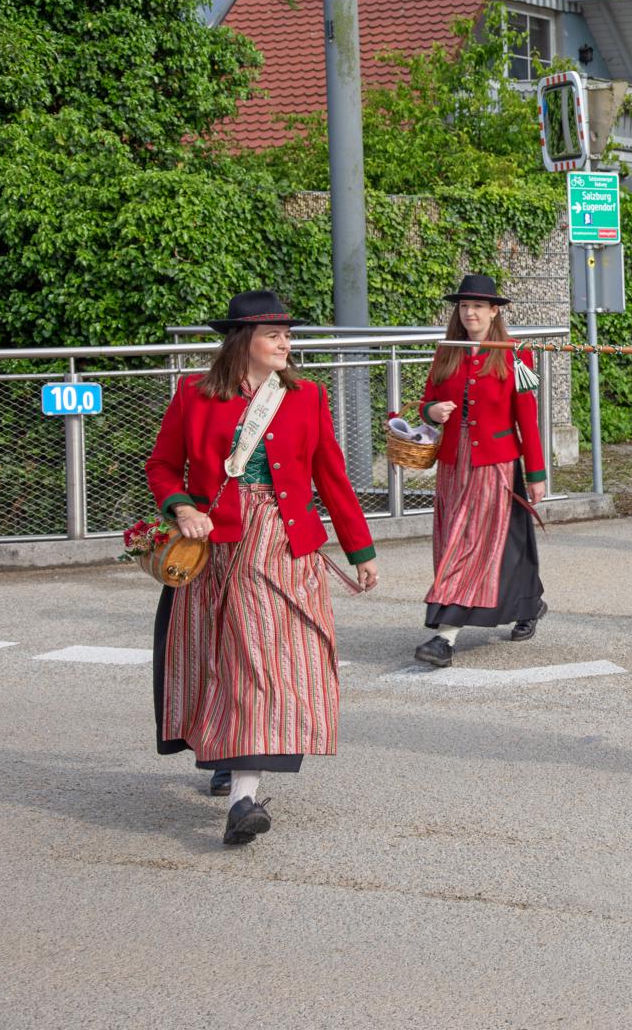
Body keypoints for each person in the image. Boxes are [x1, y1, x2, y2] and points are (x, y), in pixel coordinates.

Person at [146, 290, 379, 847]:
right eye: (273, 335)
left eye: (287, 335)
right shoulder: (193, 394)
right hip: (215, 547)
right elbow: (162, 465)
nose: (285, 343)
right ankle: (225, 751)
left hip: (282, 543)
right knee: (219, 657)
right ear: (241, 341)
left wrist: (361, 550)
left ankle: (243, 799)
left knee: (262, 660)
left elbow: (331, 476)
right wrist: (182, 508)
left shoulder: (306, 396)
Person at [413, 274, 548, 666]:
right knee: (485, 542)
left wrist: (536, 473)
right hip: (453, 465)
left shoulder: (514, 355)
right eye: (464, 306)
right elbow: (425, 402)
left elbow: (527, 417)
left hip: (496, 463)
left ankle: (445, 637)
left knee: (469, 544)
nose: (469, 312)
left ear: (493, 312)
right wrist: (431, 412)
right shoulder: (447, 352)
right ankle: (528, 603)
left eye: (477, 306)